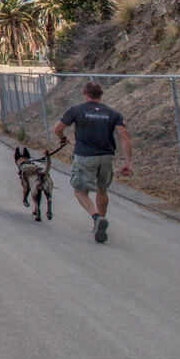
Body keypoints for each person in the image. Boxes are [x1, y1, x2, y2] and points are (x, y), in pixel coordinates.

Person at [51, 81, 134, 243]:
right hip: (107, 157)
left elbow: (58, 129)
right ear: (101, 94)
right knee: (102, 188)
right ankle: (101, 219)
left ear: (84, 93)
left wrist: (62, 139)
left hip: (85, 156)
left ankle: (96, 218)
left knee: (80, 191)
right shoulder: (113, 113)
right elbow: (124, 138)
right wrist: (128, 162)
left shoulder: (76, 110)